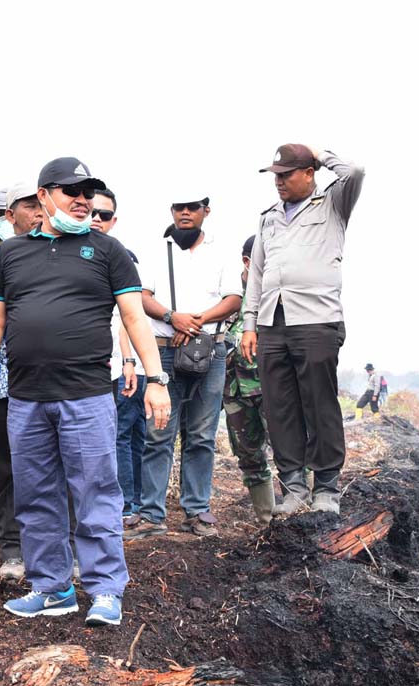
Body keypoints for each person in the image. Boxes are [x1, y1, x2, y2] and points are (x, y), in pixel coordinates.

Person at [0, 157, 171, 627]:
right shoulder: (11, 254)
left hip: (86, 396)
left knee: (95, 491)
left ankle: (104, 591)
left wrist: (156, 380)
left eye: (88, 192)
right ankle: (52, 587)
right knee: (36, 494)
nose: (82, 200)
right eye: (70, 191)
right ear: (43, 197)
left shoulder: (107, 250)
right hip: (25, 398)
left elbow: (135, 316)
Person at [241, 144, 365, 517]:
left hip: (315, 321)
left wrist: (320, 152)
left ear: (309, 173)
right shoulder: (269, 218)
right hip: (271, 323)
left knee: (319, 404)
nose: (279, 182)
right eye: (275, 176)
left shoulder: (332, 205)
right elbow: (257, 274)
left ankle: (327, 487)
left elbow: (355, 171)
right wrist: (250, 324)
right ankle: (294, 486)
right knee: (280, 409)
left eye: (286, 174)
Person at [125, 192, 242, 540]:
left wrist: (195, 322)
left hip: (210, 349)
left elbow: (234, 298)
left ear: (206, 210)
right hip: (163, 350)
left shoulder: (221, 251)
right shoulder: (155, 249)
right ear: (172, 211)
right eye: (179, 207)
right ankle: (151, 514)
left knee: (202, 435)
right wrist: (171, 317)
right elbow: (141, 296)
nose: (186, 213)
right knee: (158, 434)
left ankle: (197, 511)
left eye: (193, 207)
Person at [0, 183, 43, 580]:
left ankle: (55, 544)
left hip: (52, 384)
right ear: (9, 216)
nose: (38, 212)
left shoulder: (61, 256)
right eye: (28, 206)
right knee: (6, 469)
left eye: (41, 205)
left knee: (54, 468)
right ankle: (12, 547)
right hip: (5, 384)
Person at [90, 189, 145, 523]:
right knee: (126, 435)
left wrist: (128, 361)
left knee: (125, 435)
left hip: (123, 364)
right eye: (91, 212)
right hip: (114, 363)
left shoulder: (121, 256)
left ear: (114, 220)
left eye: (104, 215)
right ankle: (131, 500)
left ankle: (127, 503)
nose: (96, 219)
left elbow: (127, 317)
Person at [223, 235, 275, 525]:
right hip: (235, 392)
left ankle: (300, 516)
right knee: (250, 458)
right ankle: (267, 523)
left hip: (273, 389)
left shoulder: (277, 295)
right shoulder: (230, 294)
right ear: (247, 261)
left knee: (292, 453)